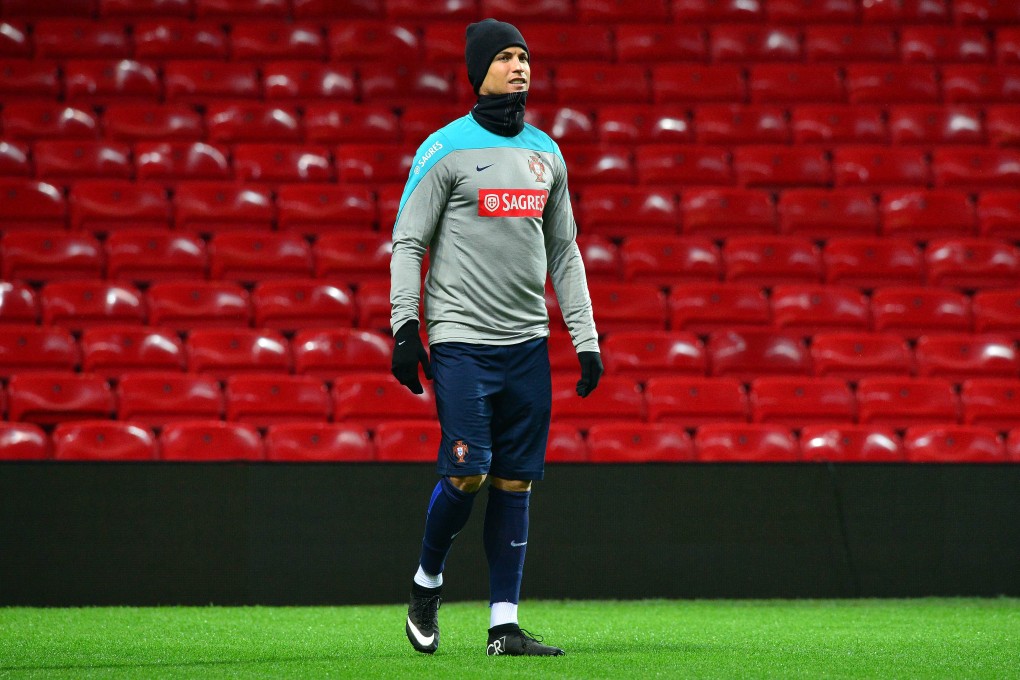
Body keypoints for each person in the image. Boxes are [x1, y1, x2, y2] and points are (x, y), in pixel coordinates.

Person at [390, 18, 602, 657]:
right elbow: (408, 242)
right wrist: (405, 327)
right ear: (478, 70)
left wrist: (585, 338)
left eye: (524, 56)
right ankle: (427, 582)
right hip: (461, 339)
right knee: (469, 474)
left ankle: (503, 627)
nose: (519, 66)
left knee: (515, 482)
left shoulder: (547, 154)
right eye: (506, 57)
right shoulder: (444, 149)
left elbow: (564, 250)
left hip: (527, 345)